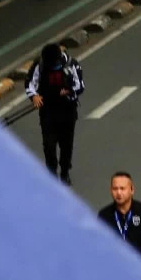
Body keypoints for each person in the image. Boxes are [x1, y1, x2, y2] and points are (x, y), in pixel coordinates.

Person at [26, 43, 84, 183]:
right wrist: (34, 96)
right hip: (48, 111)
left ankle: (65, 171)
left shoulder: (71, 64)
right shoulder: (39, 66)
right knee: (48, 144)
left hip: (67, 110)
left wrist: (69, 90)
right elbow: (29, 83)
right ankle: (51, 172)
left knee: (66, 143)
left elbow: (80, 85)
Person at [98, 172, 141, 258]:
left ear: (132, 190)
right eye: (115, 189)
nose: (119, 193)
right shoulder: (104, 215)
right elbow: (98, 243)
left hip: (138, 267)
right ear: (110, 190)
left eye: (122, 188)